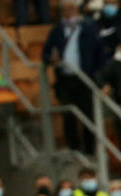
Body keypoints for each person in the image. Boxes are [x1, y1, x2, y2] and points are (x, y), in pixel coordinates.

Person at [43, 0, 104, 153]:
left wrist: (97, 75)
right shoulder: (57, 30)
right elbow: (45, 53)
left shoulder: (89, 29)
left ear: (77, 9)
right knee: (68, 115)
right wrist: (51, 59)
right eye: (64, 9)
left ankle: (90, 150)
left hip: (85, 79)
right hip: (65, 80)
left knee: (88, 115)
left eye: (71, 8)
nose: (68, 12)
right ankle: (74, 148)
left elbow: (100, 53)